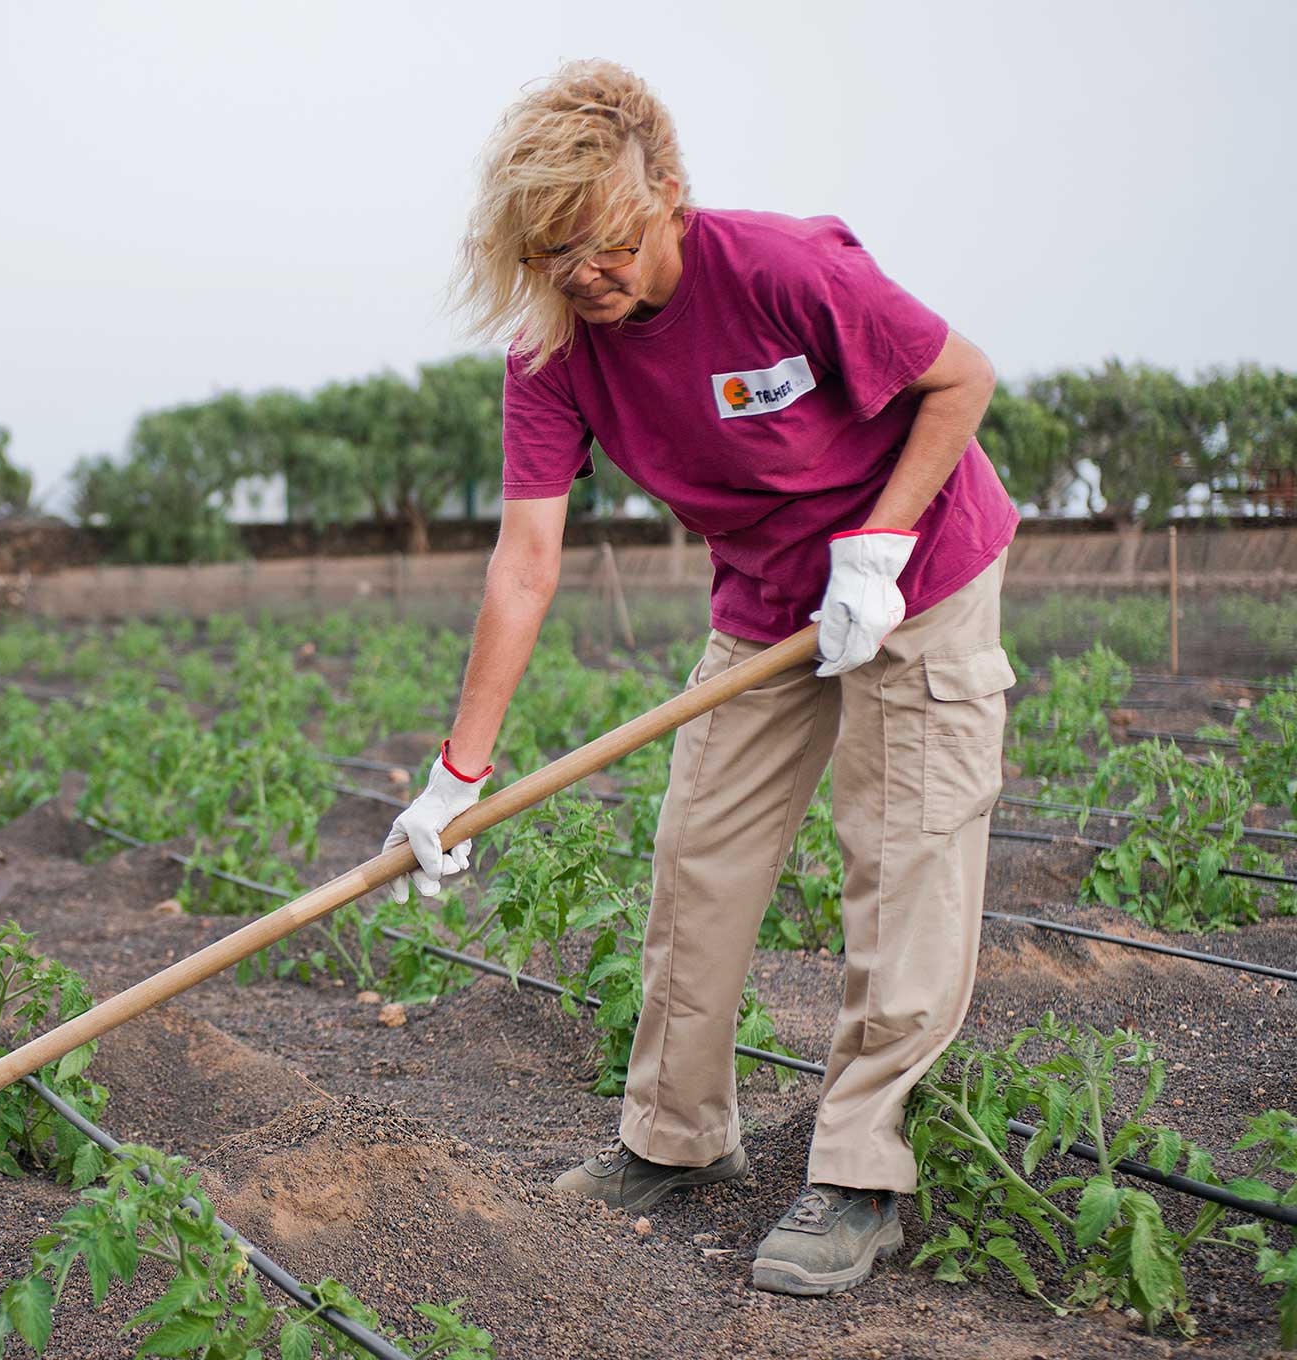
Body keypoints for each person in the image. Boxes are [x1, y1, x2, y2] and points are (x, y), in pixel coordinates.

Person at [382, 62, 1018, 1297]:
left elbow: (962, 378)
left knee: (902, 855)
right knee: (698, 856)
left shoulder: (782, 269)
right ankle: (672, 1139)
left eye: (603, 243)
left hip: (921, 570)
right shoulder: (553, 351)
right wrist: (453, 779)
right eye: (551, 254)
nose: (583, 276)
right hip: (766, 597)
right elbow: (524, 562)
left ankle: (856, 1173)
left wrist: (878, 547)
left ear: (666, 194)